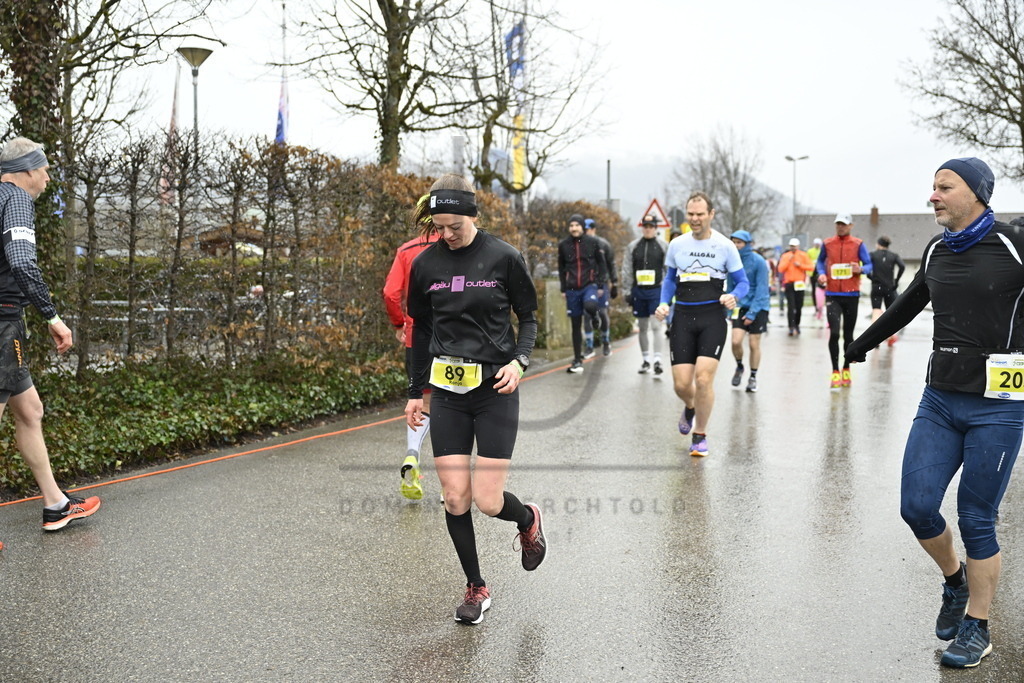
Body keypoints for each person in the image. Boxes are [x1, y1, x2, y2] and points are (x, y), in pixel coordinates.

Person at [844, 157, 1018, 669]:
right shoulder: (938, 248)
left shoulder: (1014, 244)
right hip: (940, 398)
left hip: (1000, 405)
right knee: (916, 506)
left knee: (976, 517)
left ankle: (977, 628)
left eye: (945, 187)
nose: (933, 196)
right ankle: (954, 582)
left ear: (978, 193)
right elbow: (909, 300)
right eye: (933, 187)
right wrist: (862, 344)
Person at [405, 173, 546, 625]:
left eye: (454, 226)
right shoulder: (425, 264)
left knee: (487, 500)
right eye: (438, 227)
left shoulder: (504, 258)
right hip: (447, 391)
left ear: (473, 216)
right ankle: (476, 586)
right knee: (454, 496)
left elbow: (528, 319)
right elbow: (420, 330)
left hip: (495, 391)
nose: (445, 235)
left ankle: (526, 519)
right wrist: (415, 392)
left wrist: (520, 361)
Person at [0, 137, 100, 533]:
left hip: (6, 324)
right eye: (43, 169)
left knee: (30, 410)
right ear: (26, 169)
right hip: (2, 322)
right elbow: (22, 262)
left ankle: (56, 504)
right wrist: (52, 317)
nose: (46, 177)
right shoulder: (16, 199)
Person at [654, 192, 749, 457]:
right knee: (682, 386)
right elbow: (670, 280)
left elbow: (743, 282)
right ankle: (691, 406)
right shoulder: (677, 244)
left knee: (703, 379)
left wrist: (734, 296)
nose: (695, 219)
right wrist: (664, 303)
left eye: (700, 214)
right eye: (691, 214)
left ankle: (700, 435)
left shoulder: (725, 246)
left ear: (711, 214)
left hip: (713, 318)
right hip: (682, 317)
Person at [382, 194, 440, 500]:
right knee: (455, 407)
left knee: (422, 403)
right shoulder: (459, 247)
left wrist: (399, 325)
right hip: (453, 337)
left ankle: (412, 454)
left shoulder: (406, 250)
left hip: (417, 336)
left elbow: (390, 293)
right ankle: (451, 486)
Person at [815, 213, 872, 389]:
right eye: (838, 224)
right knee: (834, 333)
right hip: (832, 294)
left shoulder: (858, 244)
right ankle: (834, 371)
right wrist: (821, 274)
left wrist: (860, 268)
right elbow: (819, 262)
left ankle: (846, 367)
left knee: (848, 335)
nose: (841, 227)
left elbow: (870, 265)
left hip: (851, 295)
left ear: (851, 226)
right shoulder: (827, 243)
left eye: (844, 224)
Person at [557, 213, 608, 373]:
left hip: (589, 285)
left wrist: (600, 284)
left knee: (591, 304)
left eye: (577, 225)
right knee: (575, 324)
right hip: (572, 289)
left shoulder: (592, 242)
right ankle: (577, 359)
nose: (574, 228)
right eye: (571, 225)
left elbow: (602, 264)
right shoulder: (563, 245)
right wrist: (563, 288)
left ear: (582, 227)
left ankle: (594, 317)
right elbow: (561, 267)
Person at [623, 214, 669, 375]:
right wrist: (627, 291)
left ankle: (657, 360)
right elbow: (627, 269)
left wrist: (668, 293)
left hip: (656, 290)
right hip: (638, 290)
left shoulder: (663, 246)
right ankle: (645, 360)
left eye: (651, 226)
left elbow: (668, 270)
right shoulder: (633, 246)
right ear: (642, 228)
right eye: (646, 226)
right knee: (642, 327)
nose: (648, 229)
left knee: (656, 326)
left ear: (656, 228)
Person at [727, 230, 770, 393]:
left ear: (748, 244)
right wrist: (729, 309)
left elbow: (762, 289)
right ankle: (739, 366)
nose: (736, 246)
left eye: (740, 242)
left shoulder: (758, 261)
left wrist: (752, 313)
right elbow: (730, 287)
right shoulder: (732, 262)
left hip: (759, 306)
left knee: (753, 343)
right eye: (734, 242)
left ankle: (753, 376)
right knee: (735, 341)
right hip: (739, 306)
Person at [583, 218, 617, 357]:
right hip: (585, 284)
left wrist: (614, 282)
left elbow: (611, 264)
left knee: (602, 313)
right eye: (585, 230)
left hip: (601, 283)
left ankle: (606, 342)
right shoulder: (579, 245)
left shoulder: (603, 244)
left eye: (589, 229)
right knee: (587, 314)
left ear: (594, 229)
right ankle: (589, 346)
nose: (587, 232)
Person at [868, 235, 906, 345]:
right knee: (890, 313)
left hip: (876, 286)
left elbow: (866, 268)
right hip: (890, 287)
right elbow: (902, 266)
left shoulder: (873, 255)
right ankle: (891, 336)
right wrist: (896, 280)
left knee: (876, 311)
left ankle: (874, 339)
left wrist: (871, 277)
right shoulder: (894, 256)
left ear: (878, 244)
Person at [777, 237, 815, 336]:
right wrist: (787, 261)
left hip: (799, 284)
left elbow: (811, 267)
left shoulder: (803, 255)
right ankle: (791, 326)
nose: (793, 248)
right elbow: (780, 269)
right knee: (791, 306)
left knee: (799, 306)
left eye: (794, 246)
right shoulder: (785, 256)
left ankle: (797, 324)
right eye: (791, 246)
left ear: (798, 246)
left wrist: (800, 265)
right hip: (789, 283)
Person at [807, 237, 825, 320]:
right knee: (814, 291)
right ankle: (816, 307)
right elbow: (807, 261)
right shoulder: (810, 251)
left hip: (820, 273)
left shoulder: (822, 251)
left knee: (822, 290)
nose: (817, 245)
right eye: (816, 244)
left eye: (819, 244)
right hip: (812, 273)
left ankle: (821, 307)